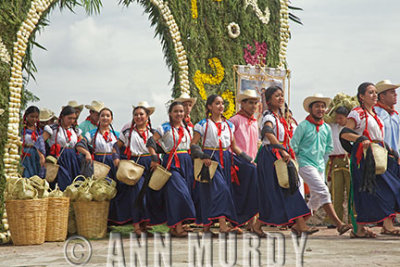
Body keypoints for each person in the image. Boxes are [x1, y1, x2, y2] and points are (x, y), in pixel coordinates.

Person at [340, 82, 400, 237]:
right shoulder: (358, 113)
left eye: (375, 92)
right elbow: (345, 133)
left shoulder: (375, 115)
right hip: (366, 158)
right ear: (361, 96)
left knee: (388, 188)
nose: (374, 96)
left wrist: (392, 152)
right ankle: (367, 228)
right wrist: (361, 138)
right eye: (371, 93)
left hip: (379, 155)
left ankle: (378, 226)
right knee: (368, 191)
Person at [252, 86, 313, 237]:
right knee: (275, 192)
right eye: (276, 96)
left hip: (280, 155)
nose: (280, 98)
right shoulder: (268, 116)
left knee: (288, 188)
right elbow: (268, 132)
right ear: (268, 100)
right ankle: (300, 225)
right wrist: (280, 148)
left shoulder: (281, 118)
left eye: (282, 95)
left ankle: (298, 224)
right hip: (271, 156)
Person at [290, 93, 352, 235]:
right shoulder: (303, 126)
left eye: (323, 106)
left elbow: (328, 148)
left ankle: (298, 226)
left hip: (319, 166)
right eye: (317, 106)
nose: (320, 109)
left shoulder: (326, 128)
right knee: (323, 191)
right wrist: (297, 163)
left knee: (316, 199)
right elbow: (293, 146)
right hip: (305, 164)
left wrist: (323, 165)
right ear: (310, 109)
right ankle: (339, 224)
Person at [191, 95, 252, 234]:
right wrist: (202, 156)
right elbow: (193, 144)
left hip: (226, 158)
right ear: (209, 107)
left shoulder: (229, 125)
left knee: (221, 191)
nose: (221, 106)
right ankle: (223, 226)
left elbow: (235, 147)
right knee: (221, 190)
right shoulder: (202, 124)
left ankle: (207, 228)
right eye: (217, 103)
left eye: (222, 103)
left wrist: (249, 160)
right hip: (210, 160)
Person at [148, 101, 196, 237]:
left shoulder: (188, 128)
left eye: (181, 111)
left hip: (186, 162)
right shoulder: (164, 127)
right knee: (179, 193)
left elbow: (192, 145)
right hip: (171, 163)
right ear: (170, 113)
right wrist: (154, 157)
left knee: (180, 194)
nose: (179, 114)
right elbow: (151, 142)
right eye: (176, 111)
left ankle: (176, 226)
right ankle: (178, 227)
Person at [110, 102, 155, 235]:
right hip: (135, 164)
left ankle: (145, 224)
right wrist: (116, 158)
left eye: (141, 114)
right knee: (137, 193)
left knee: (148, 194)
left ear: (147, 116)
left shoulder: (152, 132)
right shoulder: (128, 132)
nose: (138, 117)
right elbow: (115, 146)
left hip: (150, 164)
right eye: (136, 114)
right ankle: (136, 226)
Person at [228, 89, 259, 230]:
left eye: (255, 103)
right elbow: (229, 142)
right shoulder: (235, 120)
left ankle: (251, 222)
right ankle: (237, 222)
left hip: (251, 162)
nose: (254, 106)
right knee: (241, 192)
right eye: (251, 103)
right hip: (239, 161)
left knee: (253, 191)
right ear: (243, 104)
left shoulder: (254, 122)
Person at [43, 106, 82, 190]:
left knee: (74, 183)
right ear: (62, 116)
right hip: (58, 158)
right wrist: (42, 156)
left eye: (74, 119)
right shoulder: (53, 129)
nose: (71, 121)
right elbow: (40, 141)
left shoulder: (75, 130)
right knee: (62, 181)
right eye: (69, 118)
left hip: (72, 159)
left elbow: (82, 142)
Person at [76, 107, 119, 179]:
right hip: (98, 163)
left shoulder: (117, 135)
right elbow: (79, 145)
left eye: (108, 116)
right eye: (102, 116)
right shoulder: (91, 134)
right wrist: (87, 153)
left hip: (113, 162)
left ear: (111, 119)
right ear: (99, 118)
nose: (105, 118)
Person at [326, 106, 351, 224]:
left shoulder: (351, 128)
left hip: (349, 160)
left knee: (352, 191)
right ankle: (336, 221)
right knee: (336, 192)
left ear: (347, 117)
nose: (338, 121)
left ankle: (354, 219)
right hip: (335, 161)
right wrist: (329, 111)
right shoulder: (333, 127)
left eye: (341, 118)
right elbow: (324, 119)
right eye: (336, 118)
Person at [374, 80, 400, 176]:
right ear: (382, 96)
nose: (396, 95)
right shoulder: (375, 113)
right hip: (381, 159)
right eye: (392, 92)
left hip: (395, 159)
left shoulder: (395, 115)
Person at [21, 106, 45, 178]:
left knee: (35, 175)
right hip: (24, 154)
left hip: (35, 156)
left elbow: (41, 145)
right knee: (26, 174)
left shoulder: (38, 131)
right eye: (32, 116)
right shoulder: (22, 129)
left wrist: (41, 156)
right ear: (26, 116)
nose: (34, 119)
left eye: (36, 117)